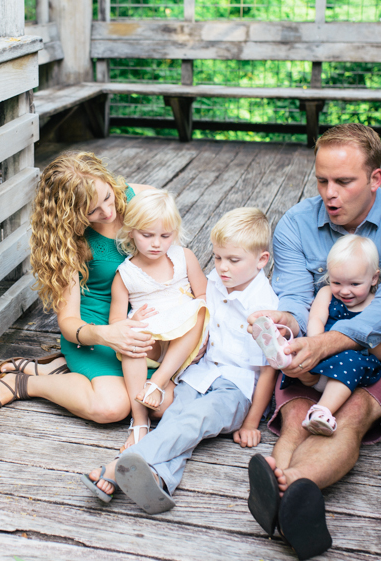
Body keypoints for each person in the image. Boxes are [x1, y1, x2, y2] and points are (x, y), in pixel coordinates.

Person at [244, 124, 381, 560]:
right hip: (313, 348)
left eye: (344, 182)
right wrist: (286, 325)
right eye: (322, 180)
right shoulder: (297, 224)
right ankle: (291, 495)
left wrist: (326, 344)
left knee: (350, 413)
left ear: (375, 179)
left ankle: (290, 486)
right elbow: (296, 298)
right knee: (298, 411)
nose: (329, 193)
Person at [82, 208, 278, 514]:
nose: (222, 268)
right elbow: (187, 308)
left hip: (235, 389)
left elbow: (269, 369)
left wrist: (252, 422)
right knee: (175, 419)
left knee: (195, 420)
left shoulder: (265, 306)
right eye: (218, 258)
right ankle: (160, 480)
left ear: (262, 261)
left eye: (233, 260)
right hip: (200, 375)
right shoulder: (215, 281)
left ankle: (116, 467)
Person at [0, 152, 157, 424]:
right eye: (91, 211)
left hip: (145, 319)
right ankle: (25, 384)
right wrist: (106, 335)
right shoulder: (70, 241)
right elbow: (69, 320)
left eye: (107, 196)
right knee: (111, 408)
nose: (108, 212)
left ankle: (59, 369)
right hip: (96, 330)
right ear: (69, 214)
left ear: (108, 180)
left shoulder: (143, 200)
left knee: (161, 402)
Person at [110, 189, 209, 451]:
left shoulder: (183, 257)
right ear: (131, 231)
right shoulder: (125, 274)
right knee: (133, 340)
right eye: (147, 235)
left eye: (165, 236)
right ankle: (139, 420)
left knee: (198, 308)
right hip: (153, 337)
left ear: (174, 233)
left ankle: (159, 381)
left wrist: (206, 331)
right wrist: (130, 324)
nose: (156, 243)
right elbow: (116, 324)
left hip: (185, 336)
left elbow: (203, 295)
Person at [276, 234, 381, 436]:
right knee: (298, 354)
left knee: (350, 361)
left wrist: (362, 338)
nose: (345, 291)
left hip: (353, 368)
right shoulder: (327, 294)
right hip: (321, 359)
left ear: (374, 278)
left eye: (355, 284)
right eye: (337, 282)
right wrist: (315, 347)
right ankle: (285, 357)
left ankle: (322, 410)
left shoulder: (379, 306)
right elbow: (316, 320)